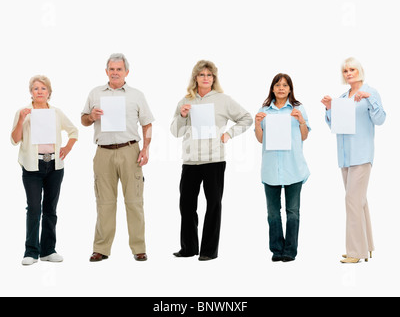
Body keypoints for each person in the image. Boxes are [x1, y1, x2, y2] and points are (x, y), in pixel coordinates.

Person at [170, 60, 253, 261]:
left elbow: (247, 118)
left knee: (213, 204)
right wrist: (182, 116)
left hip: (214, 160)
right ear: (195, 78)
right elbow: (175, 132)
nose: (205, 78)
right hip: (190, 161)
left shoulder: (223, 100)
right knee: (186, 206)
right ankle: (189, 248)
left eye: (209, 75)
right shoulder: (185, 101)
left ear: (213, 78)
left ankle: (208, 251)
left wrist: (229, 134)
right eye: (201, 75)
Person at [81, 53, 154, 262]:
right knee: (104, 202)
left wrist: (146, 148)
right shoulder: (95, 93)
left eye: (119, 69)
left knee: (134, 201)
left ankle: (139, 247)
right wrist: (91, 116)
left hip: (130, 151)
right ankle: (101, 249)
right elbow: (84, 120)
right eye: (111, 69)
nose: (115, 73)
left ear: (126, 72)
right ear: (106, 72)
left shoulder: (136, 95)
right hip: (103, 152)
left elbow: (147, 124)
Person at [321, 57, 386, 264]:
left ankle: (355, 252)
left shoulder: (370, 92)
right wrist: (330, 108)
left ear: (360, 71)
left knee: (351, 200)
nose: (349, 73)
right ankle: (366, 247)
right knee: (359, 201)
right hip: (345, 157)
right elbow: (336, 127)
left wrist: (369, 99)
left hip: (362, 154)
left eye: (352, 69)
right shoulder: (342, 97)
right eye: (346, 70)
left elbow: (381, 119)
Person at [11, 75, 78, 266]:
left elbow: (74, 131)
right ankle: (31, 251)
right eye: (35, 89)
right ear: (30, 92)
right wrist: (21, 120)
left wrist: (67, 148)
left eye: (43, 89)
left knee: (51, 208)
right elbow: (14, 139)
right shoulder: (23, 112)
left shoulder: (56, 112)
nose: (39, 92)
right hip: (32, 166)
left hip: (55, 166)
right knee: (33, 208)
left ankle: (48, 250)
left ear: (49, 92)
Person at [255, 73, 310, 262]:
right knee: (272, 213)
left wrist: (301, 120)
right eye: (277, 85)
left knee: (293, 213)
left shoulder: (298, 108)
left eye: (285, 85)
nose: (281, 88)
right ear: (272, 88)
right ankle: (276, 250)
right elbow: (260, 139)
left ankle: (290, 251)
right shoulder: (265, 110)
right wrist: (257, 123)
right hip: (271, 169)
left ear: (290, 89)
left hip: (293, 167)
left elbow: (304, 136)